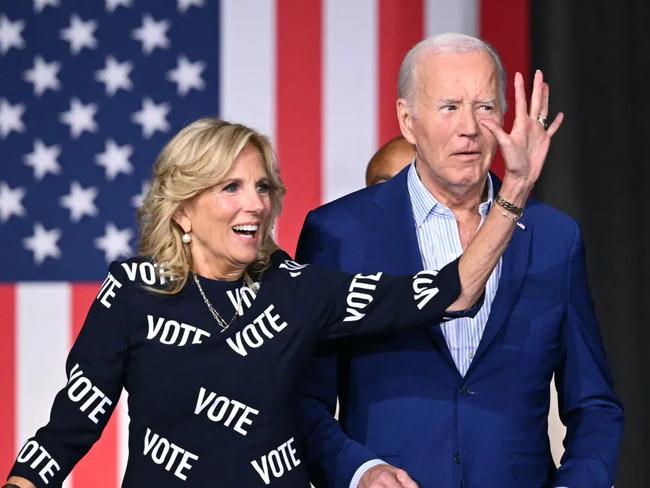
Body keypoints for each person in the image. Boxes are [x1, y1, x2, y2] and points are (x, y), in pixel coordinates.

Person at [5, 114, 536, 488]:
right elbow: (72, 423)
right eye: (230, 187)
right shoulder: (132, 292)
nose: (255, 204)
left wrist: (512, 191)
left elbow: (454, 290)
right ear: (183, 211)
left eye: (262, 187)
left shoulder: (298, 288)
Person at [296, 33, 623, 488]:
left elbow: (595, 407)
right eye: (449, 107)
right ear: (407, 120)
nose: (469, 127)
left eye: (485, 107)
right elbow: (302, 401)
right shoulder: (338, 234)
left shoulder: (554, 238)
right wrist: (360, 472)